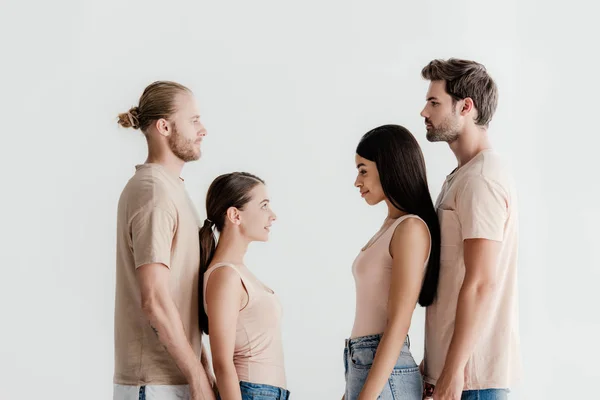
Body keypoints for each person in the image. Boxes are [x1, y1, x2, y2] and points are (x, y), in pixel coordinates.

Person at [419, 58, 521, 400]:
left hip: (469, 381)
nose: (424, 111)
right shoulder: (462, 176)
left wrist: (450, 374)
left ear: (466, 106)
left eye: (434, 102)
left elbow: (480, 282)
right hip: (456, 375)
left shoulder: (481, 179)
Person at [113, 81, 216, 400]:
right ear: (164, 126)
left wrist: (203, 368)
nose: (203, 130)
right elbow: (155, 299)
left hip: (172, 379)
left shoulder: (172, 189)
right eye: (194, 120)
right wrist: (197, 378)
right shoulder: (154, 192)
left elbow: (179, 294)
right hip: (156, 385)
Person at [344, 124, 441, 400]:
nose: (357, 181)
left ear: (388, 167)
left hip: (384, 372)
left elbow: (399, 322)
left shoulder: (410, 228)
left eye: (363, 170)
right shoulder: (390, 226)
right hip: (363, 363)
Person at [199, 172, 289, 400]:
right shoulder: (225, 276)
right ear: (234, 215)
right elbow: (222, 363)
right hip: (251, 393)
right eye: (264, 206)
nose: (273, 215)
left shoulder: (237, 272)